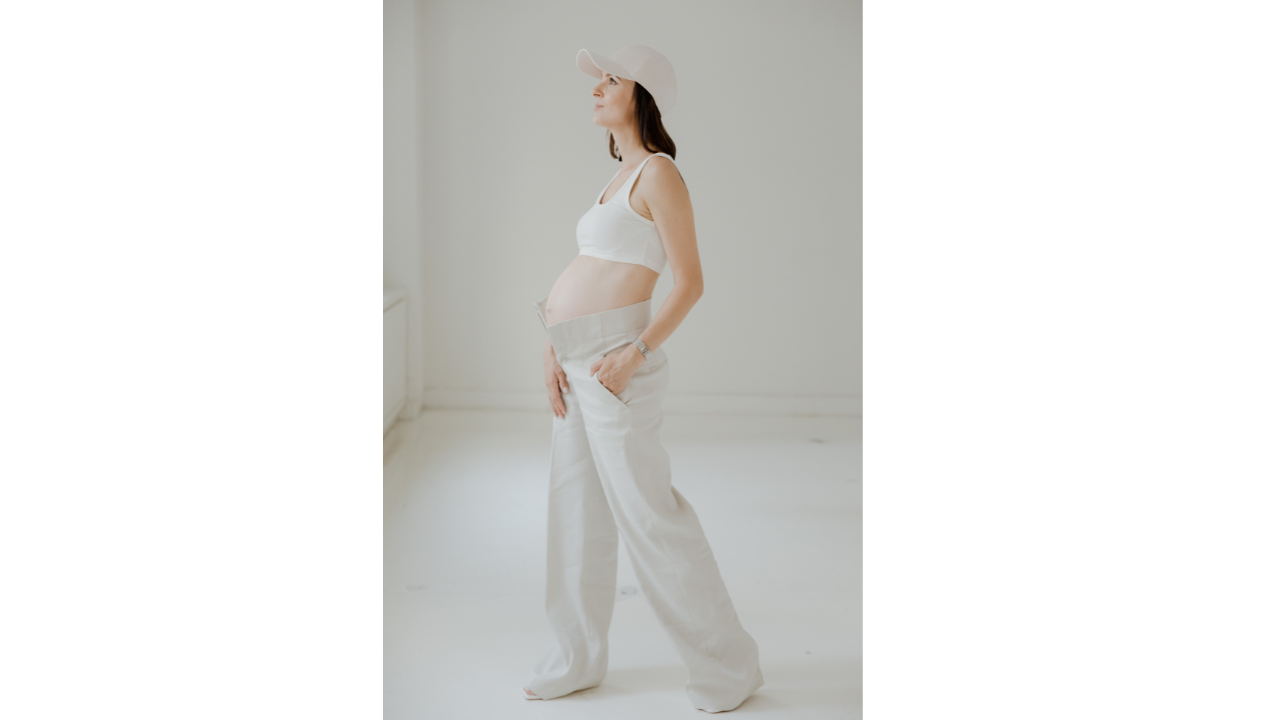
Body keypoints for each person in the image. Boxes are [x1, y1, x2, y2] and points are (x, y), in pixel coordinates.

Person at [523, 45, 764, 714]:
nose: (595, 89)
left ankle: (729, 668)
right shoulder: (617, 177)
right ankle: (576, 658)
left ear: (643, 94)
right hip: (576, 358)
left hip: (613, 362)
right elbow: (594, 265)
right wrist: (553, 343)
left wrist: (634, 352)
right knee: (575, 513)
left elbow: (689, 282)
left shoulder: (659, 173)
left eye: (610, 79)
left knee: (653, 521)